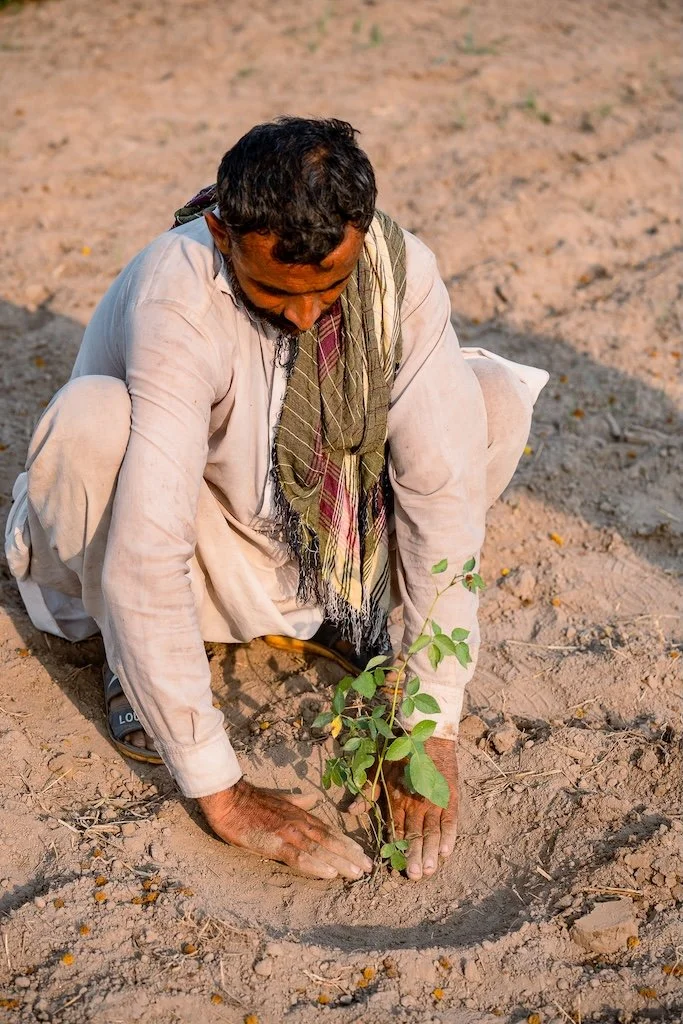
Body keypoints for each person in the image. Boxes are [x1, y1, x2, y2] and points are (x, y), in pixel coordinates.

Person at [5, 117, 547, 882]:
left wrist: (430, 721)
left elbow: (441, 496)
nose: (303, 315)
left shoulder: (400, 270)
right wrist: (223, 794)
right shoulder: (180, 287)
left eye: (330, 287)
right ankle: (137, 662)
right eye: (274, 291)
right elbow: (148, 545)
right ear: (224, 233)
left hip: (327, 545)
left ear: (359, 233)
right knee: (92, 422)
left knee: (485, 398)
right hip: (197, 546)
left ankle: (343, 614)